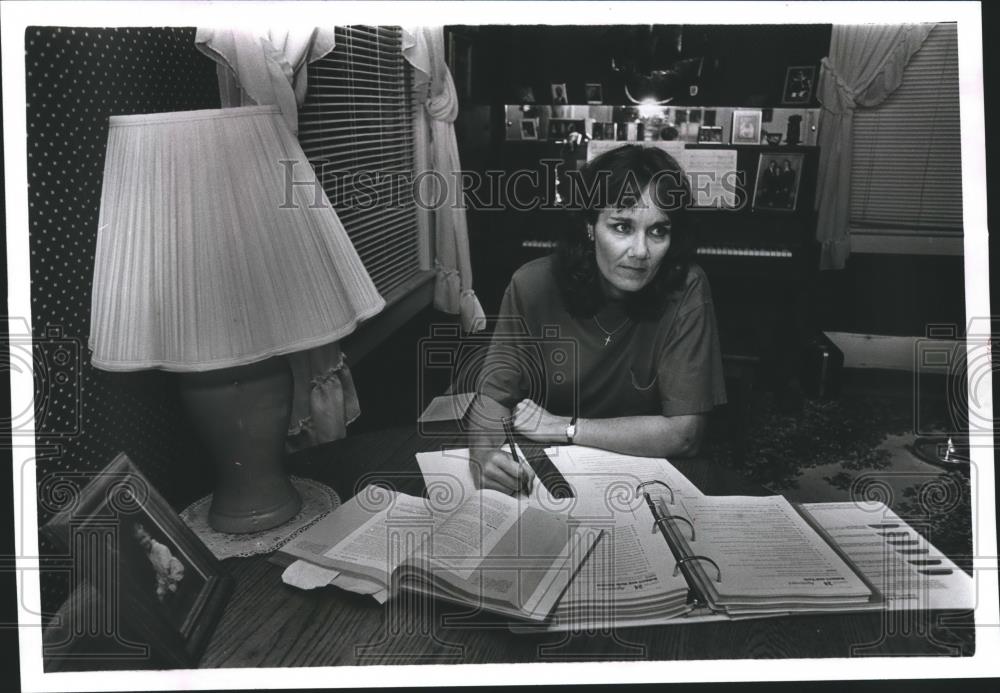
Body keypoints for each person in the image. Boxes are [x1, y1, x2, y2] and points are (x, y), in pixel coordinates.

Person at [470, 145, 728, 495]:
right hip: (546, 468)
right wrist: (483, 455)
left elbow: (684, 435)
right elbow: (493, 398)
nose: (640, 252)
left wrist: (565, 427)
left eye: (658, 231)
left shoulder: (687, 288)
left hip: (646, 476)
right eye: (622, 227)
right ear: (590, 227)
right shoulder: (531, 285)